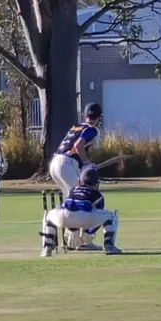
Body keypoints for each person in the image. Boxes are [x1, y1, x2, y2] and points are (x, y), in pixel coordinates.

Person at [49, 102, 103, 249]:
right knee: (81, 202)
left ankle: (72, 240)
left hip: (55, 164)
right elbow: (78, 146)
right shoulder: (92, 130)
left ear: (84, 115)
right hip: (66, 165)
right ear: (99, 117)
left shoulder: (76, 127)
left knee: (71, 202)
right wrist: (86, 163)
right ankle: (82, 241)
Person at [40, 167, 122, 257]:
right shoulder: (96, 193)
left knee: (49, 216)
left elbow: (70, 210)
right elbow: (98, 216)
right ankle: (109, 246)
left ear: (80, 180)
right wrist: (87, 234)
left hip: (64, 217)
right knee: (111, 216)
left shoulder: (72, 191)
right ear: (96, 183)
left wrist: (73, 230)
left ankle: (47, 247)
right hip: (85, 217)